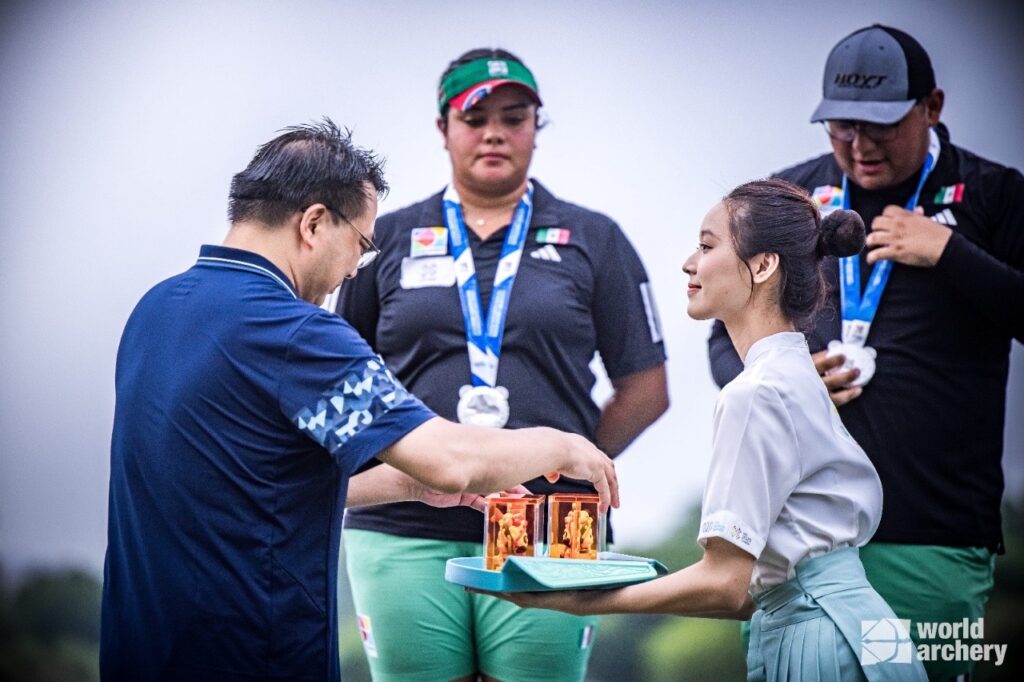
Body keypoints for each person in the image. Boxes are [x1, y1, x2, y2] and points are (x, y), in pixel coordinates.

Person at [100, 118, 620, 682]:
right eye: (362, 246)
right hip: (254, 653)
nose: (353, 270)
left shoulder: (154, 311)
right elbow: (449, 460)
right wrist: (562, 445)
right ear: (314, 223)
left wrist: (407, 486)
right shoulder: (296, 332)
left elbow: (246, 486)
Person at [481, 179, 927, 681]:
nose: (689, 263)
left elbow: (725, 585)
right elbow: (751, 589)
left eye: (707, 246)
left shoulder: (755, 393)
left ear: (763, 265)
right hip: (861, 630)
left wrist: (578, 600)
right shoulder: (798, 374)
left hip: (819, 640)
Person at [332, 48, 668, 682]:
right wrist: (395, 470)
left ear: (536, 128)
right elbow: (340, 381)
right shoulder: (387, 239)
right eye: (474, 117)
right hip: (401, 524)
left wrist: (567, 458)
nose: (494, 133)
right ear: (443, 128)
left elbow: (646, 387)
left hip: (553, 520)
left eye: (514, 118)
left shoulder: (594, 237)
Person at [707, 24, 1024, 680]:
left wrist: (951, 253)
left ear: (932, 107)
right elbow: (722, 339)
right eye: (842, 127)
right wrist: (788, 380)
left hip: (930, 534)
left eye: (881, 125)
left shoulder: (994, 194)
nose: (860, 145)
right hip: (799, 539)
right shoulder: (789, 200)